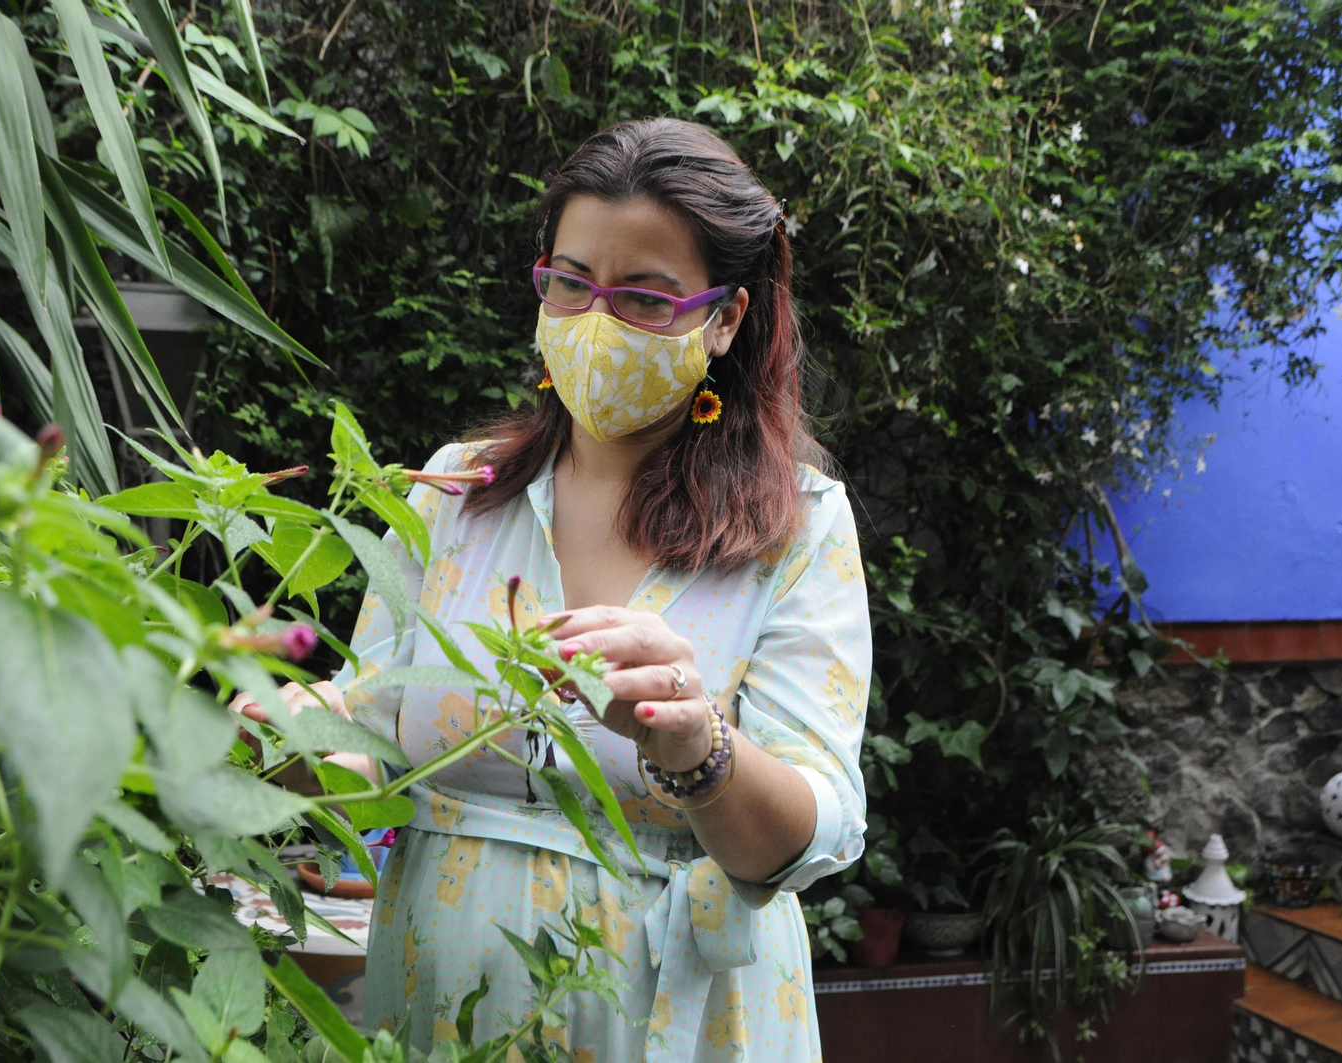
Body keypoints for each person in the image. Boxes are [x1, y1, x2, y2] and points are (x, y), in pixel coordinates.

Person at [233, 117, 872, 1062]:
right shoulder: (454, 492)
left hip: (675, 1025)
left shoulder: (796, 527)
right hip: (439, 1017)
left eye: (646, 297)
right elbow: (374, 745)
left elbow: (809, 833)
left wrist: (699, 747)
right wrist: (296, 739)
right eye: (572, 283)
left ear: (727, 318)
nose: (597, 323)